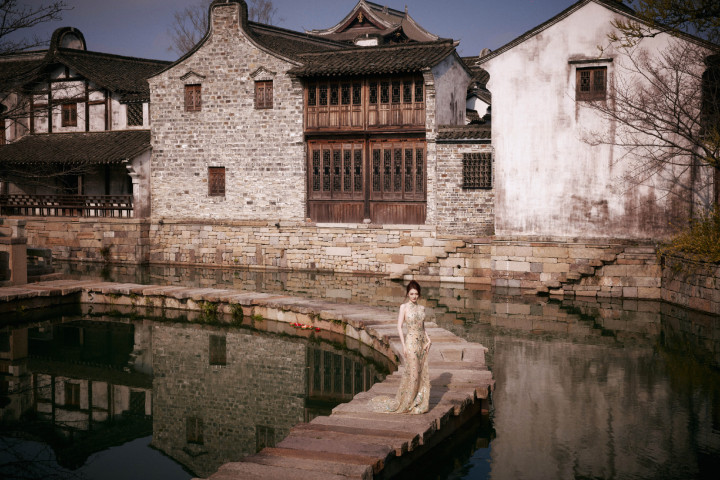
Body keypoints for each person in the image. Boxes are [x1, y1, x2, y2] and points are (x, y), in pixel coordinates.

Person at [371, 280, 432, 414]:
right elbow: (399, 326)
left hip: (421, 343)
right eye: (412, 294)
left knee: (420, 373)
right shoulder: (403, 307)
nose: (414, 296)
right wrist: (403, 346)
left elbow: (422, 326)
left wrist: (428, 339)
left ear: (419, 294)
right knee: (413, 374)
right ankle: (407, 403)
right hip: (410, 342)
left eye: (416, 294)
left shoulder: (422, 308)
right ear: (408, 294)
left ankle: (416, 400)